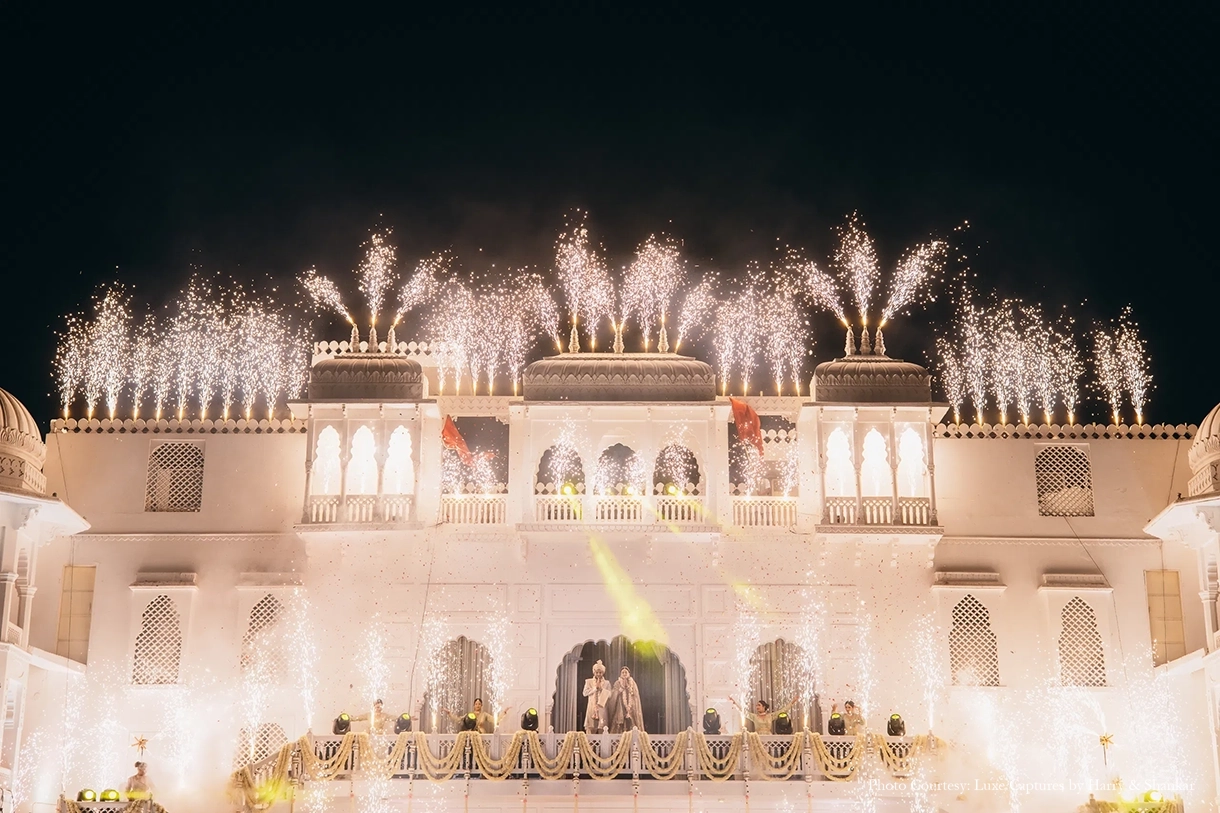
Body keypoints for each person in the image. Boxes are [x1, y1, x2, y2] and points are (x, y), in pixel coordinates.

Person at [728, 696, 795, 734]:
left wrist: (792, 702)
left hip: (768, 738)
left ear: (764, 707)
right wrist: (734, 703)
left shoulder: (770, 716)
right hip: (757, 738)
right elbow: (743, 712)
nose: (757, 707)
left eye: (759, 705)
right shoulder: (754, 717)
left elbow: (782, 711)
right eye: (756, 705)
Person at [607, 666, 644, 733]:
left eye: (625, 672)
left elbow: (636, 696)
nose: (624, 674)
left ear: (629, 673)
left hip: (631, 708)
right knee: (619, 724)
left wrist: (630, 690)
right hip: (620, 706)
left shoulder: (633, 683)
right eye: (622, 672)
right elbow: (613, 695)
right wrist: (620, 691)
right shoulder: (617, 683)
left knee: (632, 724)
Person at [444, 697, 510, 734]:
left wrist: (504, 712)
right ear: (474, 705)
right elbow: (459, 719)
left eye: (479, 704)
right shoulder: (470, 715)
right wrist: (449, 713)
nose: (477, 705)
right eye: (476, 704)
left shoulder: (484, 714)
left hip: (482, 736)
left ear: (481, 705)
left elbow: (495, 720)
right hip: (471, 735)